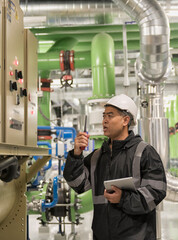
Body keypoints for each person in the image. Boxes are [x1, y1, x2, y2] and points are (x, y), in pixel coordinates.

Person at [63, 94, 167, 240]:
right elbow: (77, 184)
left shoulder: (144, 152)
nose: (104, 120)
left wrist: (123, 198)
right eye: (104, 116)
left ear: (126, 120)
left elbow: (157, 192)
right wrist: (76, 154)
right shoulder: (97, 157)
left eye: (110, 116)